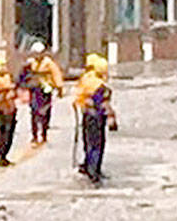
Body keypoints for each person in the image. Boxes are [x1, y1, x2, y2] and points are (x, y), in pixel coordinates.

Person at [74, 52, 118, 184]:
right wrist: (112, 118)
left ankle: (88, 167)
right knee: (97, 145)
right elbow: (104, 104)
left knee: (88, 143)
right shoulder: (99, 85)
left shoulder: (86, 79)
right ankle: (94, 173)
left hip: (86, 114)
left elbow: (79, 96)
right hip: (96, 117)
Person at [18, 41, 64, 146]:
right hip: (34, 89)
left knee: (45, 111)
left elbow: (56, 75)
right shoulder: (30, 63)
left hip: (46, 89)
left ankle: (44, 133)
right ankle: (34, 135)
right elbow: (23, 76)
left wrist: (59, 88)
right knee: (34, 111)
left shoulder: (49, 63)